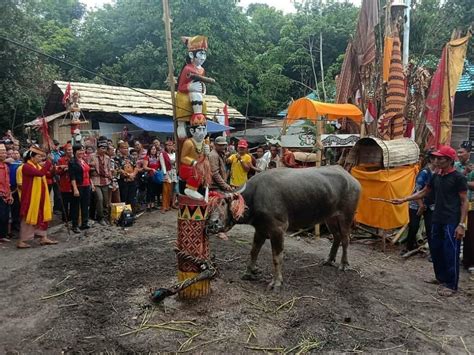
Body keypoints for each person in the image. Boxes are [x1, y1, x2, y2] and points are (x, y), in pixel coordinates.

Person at [392, 145, 468, 296]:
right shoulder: (436, 176)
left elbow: (464, 201)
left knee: (450, 251)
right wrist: (404, 199)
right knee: (436, 249)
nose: (436, 160)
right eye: (436, 158)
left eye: (440, 158)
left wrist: (461, 224)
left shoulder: (458, 178)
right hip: (437, 218)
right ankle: (441, 278)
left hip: (451, 221)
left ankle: (451, 285)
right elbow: (425, 191)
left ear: (449, 160)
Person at [17, 146, 57, 248]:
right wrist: (48, 162)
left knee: (41, 215)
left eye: (41, 157)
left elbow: (47, 175)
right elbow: (40, 174)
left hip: (40, 196)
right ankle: (22, 241)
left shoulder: (37, 166)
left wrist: (54, 169)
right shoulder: (26, 167)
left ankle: (43, 237)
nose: (40, 159)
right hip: (30, 197)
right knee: (28, 217)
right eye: (39, 156)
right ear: (32, 157)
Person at [403, 151, 436, 254]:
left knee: (430, 227)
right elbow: (418, 189)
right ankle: (409, 246)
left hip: (429, 205)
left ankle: (432, 251)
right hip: (416, 203)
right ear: (431, 160)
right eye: (436, 159)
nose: (438, 161)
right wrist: (421, 205)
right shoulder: (424, 172)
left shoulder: (437, 173)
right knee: (414, 226)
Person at [455, 143, 474, 273]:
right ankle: (454, 259)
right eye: (458, 152)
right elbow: (453, 181)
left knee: (470, 235)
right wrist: (465, 174)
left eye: (461, 152)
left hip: (472, 205)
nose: (459, 154)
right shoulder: (456, 166)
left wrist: (463, 182)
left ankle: (469, 262)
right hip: (457, 204)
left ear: (468, 153)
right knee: (456, 230)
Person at [69, 145, 95, 233]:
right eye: (79, 150)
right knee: (76, 206)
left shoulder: (84, 160)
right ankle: (75, 225)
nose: (82, 152)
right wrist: (75, 189)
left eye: (83, 150)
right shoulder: (72, 162)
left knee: (85, 204)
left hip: (87, 185)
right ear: (75, 151)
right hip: (78, 185)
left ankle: (85, 223)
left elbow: (88, 173)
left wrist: (92, 184)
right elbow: (72, 177)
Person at [89, 140, 112, 225]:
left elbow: (109, 169)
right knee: (99, 199)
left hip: (106, 181)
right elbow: (88, 168)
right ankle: (100, 218)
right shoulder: (92, 156)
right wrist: (93, 169)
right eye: (102, 148)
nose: (104, 150)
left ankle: (105, 217)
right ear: (98, 148)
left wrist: (110, 178)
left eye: (105, 148)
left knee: (106, 201)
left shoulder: (107, 158)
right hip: (95, 181)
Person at [115, 142, 138, 207]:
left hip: (132, 180)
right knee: (124, 198)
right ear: (119, 149)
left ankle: (131, 213)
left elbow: (136, 167)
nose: (126, 149)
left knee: (132, 198)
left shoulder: (131, 157)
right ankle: (124, 214)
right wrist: (128, 175)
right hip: (123, 181)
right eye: (124, 148)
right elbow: (118, 169)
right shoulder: (117, 158)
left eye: (127, 148)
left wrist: (133, 174)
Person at [56, 144, 73, 223]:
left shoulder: (75, 159)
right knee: (65, 202)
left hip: (74, 183)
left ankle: (73, 217)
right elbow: (57, 172)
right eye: (68, 150)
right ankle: (65, 218)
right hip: (65, 183)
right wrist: (64, 169)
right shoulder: (61, 160)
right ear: (65, 151)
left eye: (71, 149)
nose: (70, 151)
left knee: (73, 202)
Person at [0, 144, 13, 243]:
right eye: (1, 152)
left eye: (4, 152)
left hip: (6, 194)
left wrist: (10, 194)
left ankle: (2, 235)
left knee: (5, 216)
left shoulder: (5, 166)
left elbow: (7, 182)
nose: (3, 154)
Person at [143, 145, 162, 211]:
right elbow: (144, 167)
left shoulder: (157, 157)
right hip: (150, 176)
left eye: (154, 149)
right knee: (149, 191)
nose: (153, 150)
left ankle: (153, 205)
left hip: (156, 176)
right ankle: (148, 206)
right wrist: (151, 169)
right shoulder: (147, 157)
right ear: (149, 150)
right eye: (152, 149)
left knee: (154, 191)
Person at [8, 149, 22, 234]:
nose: (15, 155)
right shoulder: (8, 163)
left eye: (17, 153)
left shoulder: (21, 164)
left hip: (19, 186)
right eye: (13, 153)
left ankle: (17, 225)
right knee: (11, 208)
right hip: (10, 186)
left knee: (17, 207)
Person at [160, 140, 177, 212]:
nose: (169, 147)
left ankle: (171, 204)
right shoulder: (162, 154)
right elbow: (162, 164)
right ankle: (164, 206)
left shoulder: (175, 154)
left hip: (174, 171)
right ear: (165, 146)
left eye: (171, 145)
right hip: (167, 172)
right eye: (168, 145)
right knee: (166, 190)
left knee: (172, 190)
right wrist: (164, 174)